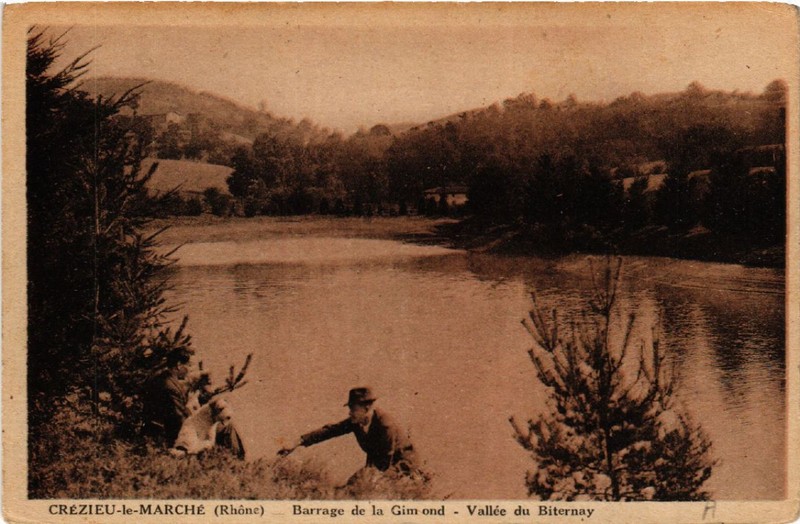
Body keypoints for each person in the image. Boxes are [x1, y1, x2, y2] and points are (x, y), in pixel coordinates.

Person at [278, 387, 420, 479]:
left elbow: (384, 461)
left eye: (353, 408)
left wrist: (365, 478)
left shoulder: (385, 424)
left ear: (367, 407)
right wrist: (298, 442)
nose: (350, 412)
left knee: (358, 487)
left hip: (402, 466)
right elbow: (331, 430)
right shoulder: (356, 421)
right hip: (380, 465)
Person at [143, 348, 245, 459]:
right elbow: (178, 419)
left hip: (163, 428)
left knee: (219, 424)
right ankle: (235, 462)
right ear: (178, 365)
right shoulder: (170, 386)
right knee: (226, 426)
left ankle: (232, 461)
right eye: (189, 365)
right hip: (169, 433)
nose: (190, 370)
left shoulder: (164, 379)